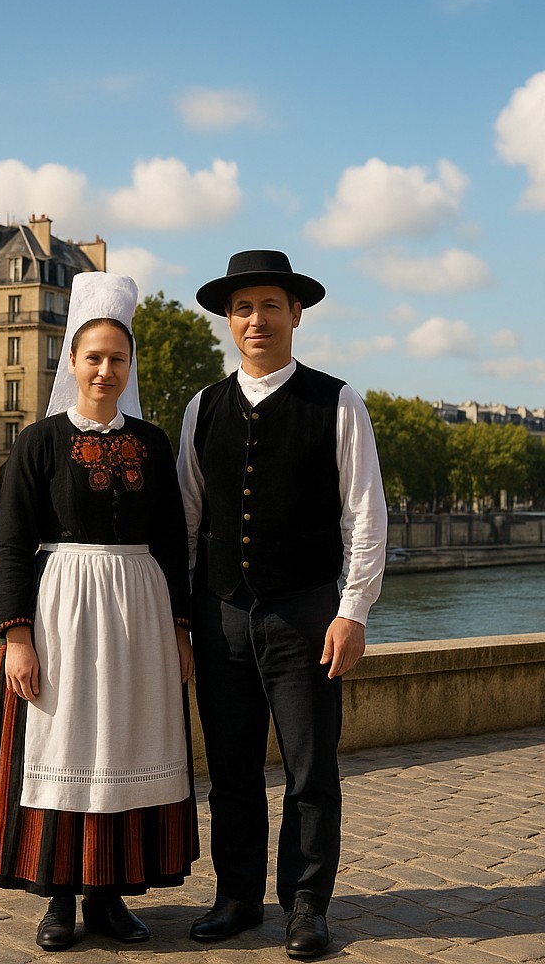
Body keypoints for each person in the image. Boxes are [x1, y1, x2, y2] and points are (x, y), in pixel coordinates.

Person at [0, 272, 198, 951]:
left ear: (129, 367)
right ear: (71, 361)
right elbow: (10, 540)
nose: (104, 370)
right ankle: (57, 898)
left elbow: (174, 542)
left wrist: (180, 628)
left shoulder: (153, 444)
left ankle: (109, 895)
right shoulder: (39, 441)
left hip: (140, 614)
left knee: (123, 741)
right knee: (63, 742)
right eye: (93, 357)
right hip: (62, 606)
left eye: (117, 359)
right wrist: (17, 636)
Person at [177, 249, 386, 960]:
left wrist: (353, 610)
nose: (256, 319)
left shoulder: (338, 401)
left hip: (305, 612)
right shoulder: (201, 407)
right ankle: (236, 896)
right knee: (230, 768)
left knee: (309, 769)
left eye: (270, 305)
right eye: (243, 308)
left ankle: (305, 905)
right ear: (228, 321)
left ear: (296, 315)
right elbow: (188, 520)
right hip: (221, 612)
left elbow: (365, 513)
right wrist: (183, 617)